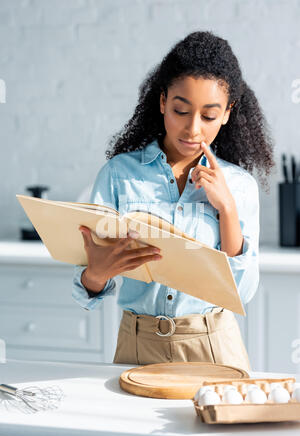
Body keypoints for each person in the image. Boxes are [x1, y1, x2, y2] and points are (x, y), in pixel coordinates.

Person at [72, 31, 275, 371]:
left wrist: (226, 209)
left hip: (213, 345)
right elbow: (87, 289)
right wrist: (95, 274)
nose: (193, 129)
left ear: (227, 113)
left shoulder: (238, 186)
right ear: (163, 101)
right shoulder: (119, 174)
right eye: (181, 110)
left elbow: (241, 293)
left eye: (209, 116)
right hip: (137, 345)